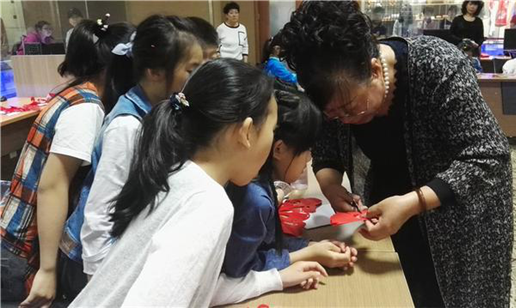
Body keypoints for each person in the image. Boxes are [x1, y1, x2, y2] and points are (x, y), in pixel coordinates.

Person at [280, 1, 512, 307]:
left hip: (459, 216)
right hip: (391, 211)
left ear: (375, 70)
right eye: (334, 116)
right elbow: (326, 152)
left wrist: (413, 202)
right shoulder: (331, 88)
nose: (345, 121)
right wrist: (332, 187)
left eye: (351, 109)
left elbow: (488, 156)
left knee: (457, 297)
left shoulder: (437, 65)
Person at [69, 59, 327, 307]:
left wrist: (275, 278)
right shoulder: (208, 205)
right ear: (246, 133)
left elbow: (196, 285)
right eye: (271, 131)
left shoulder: (179, 176)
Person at [1, 17, 135, 307]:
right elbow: (53, 185)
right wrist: (48, 270)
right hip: (19, 246)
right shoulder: (86, 109)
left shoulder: (74, 92)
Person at [62, 15, 204, 278]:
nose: (198, 78)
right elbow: (99, 217)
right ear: (155, 72)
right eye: (192, 69)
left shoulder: (162, 108)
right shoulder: (127, 127)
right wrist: (100, 283)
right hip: (94, 265)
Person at [223, 90, 357, 279]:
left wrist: (309, 246)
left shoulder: (261, 184)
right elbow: (240, 270)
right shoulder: (256, 200)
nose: (309, 160)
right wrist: (306, 255)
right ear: (279, 149)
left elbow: (266, 242)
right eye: (307, 151)